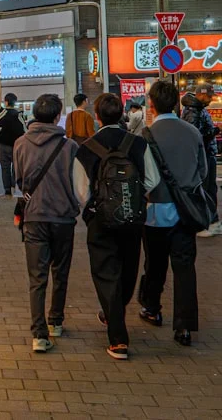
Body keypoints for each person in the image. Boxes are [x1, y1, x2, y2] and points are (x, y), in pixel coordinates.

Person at [73, 93, 159, 360]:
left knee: (105, 273)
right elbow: (152, 179)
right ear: (122, 114)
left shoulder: (87, 148)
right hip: (133, 218)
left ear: (96, 116)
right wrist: (134, 197)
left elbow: (81, 191)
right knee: (128, 268)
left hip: (100, 221)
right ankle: (115, 314)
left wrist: (96, 206)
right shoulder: (137, 143)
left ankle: (118, 338)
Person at [140, 80, 207, 347]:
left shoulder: (145, 136)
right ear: (176, 103)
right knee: (185, 268)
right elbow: (203, 171)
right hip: (186, 212)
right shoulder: (192, 132)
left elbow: (143, 178)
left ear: (151, 104)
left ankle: (152, 308)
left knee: (154, 264)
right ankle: (184, 326)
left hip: (154, 212)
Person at [13, 94, 79, 354]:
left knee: (37, 277)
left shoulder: (20, 143)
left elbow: (20, 179)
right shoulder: (70, 146)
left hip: (34, 216)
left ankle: (39, 334)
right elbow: (77, 183)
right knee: (60, 271)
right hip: (63, 216)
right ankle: (56, 321)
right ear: (57, 116)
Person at [181, 84, 220, 237]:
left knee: (209, 189)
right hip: (203, 156)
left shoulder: (197, 109)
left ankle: (211, 221)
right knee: (206, 189)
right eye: (209, 96)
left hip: (206, 154)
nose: (210, 100)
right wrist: (214, 131)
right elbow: (195, 137)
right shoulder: (193, 111)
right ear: (201, 95)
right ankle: (207, 222)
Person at [0, 93, 28, 197]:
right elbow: (25, 131)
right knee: (16, 167)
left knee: (5, 168)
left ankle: (7, 190)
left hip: (3, 146)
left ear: (6, 102)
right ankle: (13, 186)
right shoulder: (18, 115)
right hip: (17, 146)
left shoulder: (2, 114)